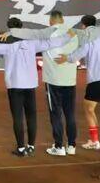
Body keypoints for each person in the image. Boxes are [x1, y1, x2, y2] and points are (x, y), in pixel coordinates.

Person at [0, 19, 73, 156]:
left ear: (9, 28)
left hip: (15, 85)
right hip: (30, 85)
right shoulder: (32, 43)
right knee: (31, 116)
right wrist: (69, 35)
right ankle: (31, 146)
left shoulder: (8, 44)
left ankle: (21, 148)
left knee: (17, 117)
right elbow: (52, 42)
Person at [6, 11, 79, 156]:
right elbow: (80, 50)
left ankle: (59, 146)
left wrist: (11, 32)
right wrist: (69, 58)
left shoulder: (48, 32)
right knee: (70, 113)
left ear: (51, 20)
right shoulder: (73, 33)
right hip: (70, 79)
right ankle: (71, 145)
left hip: (53, 80)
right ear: (62, 19)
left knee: (56, 113)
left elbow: (32, 33)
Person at [67, 15, 100, 151]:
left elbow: (79, 53)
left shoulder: (88, 36)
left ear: (83, 25)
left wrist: (67, 58)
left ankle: (95, 141)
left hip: (96, 79)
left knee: (89, 108)